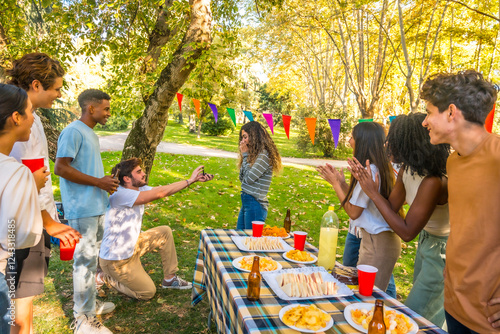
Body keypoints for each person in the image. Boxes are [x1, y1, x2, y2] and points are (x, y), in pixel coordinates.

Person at [348, 113, 451, 328]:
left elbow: (406, 232)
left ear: (409, 143)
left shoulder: (434, 181)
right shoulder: (407, 170)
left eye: (393, 141)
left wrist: (373, 193)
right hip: (426, 243)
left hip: (442, 250)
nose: (387, 145)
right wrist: (365, 188)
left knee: (416, 315)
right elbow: (392, 209)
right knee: (426, 314)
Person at [420, 70, 500, 333]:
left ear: (451, 112)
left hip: (487, 320)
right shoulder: (452, 161)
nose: (425, 121)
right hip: (453, 303)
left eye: (430, 112)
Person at [6, 53, 81, 334]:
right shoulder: (19, 123)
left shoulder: (32, 119)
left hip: (35, 223)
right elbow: (25, 184)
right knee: (17, 308)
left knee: (23, 300)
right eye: (57, 88)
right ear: (36, 85)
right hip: (22, 227)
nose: (59, 95)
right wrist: (50, 223)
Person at [97, 158, 213, 300]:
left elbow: (164, 189)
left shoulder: (138, 188)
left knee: (164, 232)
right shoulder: (121, 195)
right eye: (139, 172)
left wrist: (193, 180)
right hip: (116, 260)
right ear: (127, 178)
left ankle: (170, 279)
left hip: (132, 246)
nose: (144, 174)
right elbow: (162, 192)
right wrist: (190, 180)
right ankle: (104, 277)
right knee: (147, 292)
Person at [54, 89, 119, 334]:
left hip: (96, 205)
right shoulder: (72, 131)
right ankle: (83, 319)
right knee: (84, 262)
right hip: (81, 209)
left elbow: (86, 169)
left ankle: (90, 304)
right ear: (91, 108)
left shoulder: (90, 133)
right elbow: (61, 168)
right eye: (106, 109)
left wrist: (105, 183)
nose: (108, 114)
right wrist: (98, 182)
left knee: (91, 262)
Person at [317, 122, 401, 293]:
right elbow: (359, 201)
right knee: (367, 294)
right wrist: (341, 183)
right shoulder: (376, 167)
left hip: (378, 243)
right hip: (375, 240)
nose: (349, 141)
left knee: (368, 297)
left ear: (363, 141)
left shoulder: (370, 171)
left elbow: (353, 212)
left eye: (352, 137)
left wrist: (335, 184)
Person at [0, 84, 45, 333]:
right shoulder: (17, 173)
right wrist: (32, 188)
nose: (34, 118)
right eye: (30, 112)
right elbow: (15, 235)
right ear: (16, 118)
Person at [236, 121, 282, 229]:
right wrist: (245, 158)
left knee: (251, 241)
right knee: (240, 236)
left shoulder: (264, 156)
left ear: (254, 136)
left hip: (255, 204)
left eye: (245, 137)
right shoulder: (254, 155)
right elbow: (242, 178)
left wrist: (245, 155)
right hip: (247, 200)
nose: (242, 141)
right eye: (242, 138)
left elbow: (249, 179)